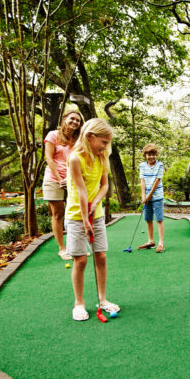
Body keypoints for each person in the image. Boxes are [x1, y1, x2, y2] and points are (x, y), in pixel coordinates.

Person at [65, 118, 119, 321]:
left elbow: (104, 185)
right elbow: (80, 191)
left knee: (101, 256)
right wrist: (85, 221)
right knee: (80, 260)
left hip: (95, 213)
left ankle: (102, 299)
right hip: (76, 215)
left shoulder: (102, 156)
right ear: (90, 137)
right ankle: (79, 303)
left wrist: (95, 205)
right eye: (103, 142)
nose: (106, 146)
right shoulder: (75, 158)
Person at [43, 110, 83, 261]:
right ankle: (62, 248)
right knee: (58, 214)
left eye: (78, 120)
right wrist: (61, 179)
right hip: (54, 179)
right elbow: (49, 158)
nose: (74, 122)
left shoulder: (79, 139)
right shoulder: (53, 135)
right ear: (65, 119)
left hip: (74, 179)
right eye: (72, 119)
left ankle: (77, 247)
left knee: (77, 213)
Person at [137, 143, 165, 253]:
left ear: (156, 155)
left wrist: (149, 196)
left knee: (159, 219)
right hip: (147, 198)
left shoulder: (160, 165)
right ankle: (150, 241)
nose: (151, 156)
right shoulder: (142, 166)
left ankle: (161, 243)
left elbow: (157, 181)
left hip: (157, 196)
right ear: (145, 155)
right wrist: (143, 196)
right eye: (149, 154)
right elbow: (142, 181)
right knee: (148, 219)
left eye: (153, 154)